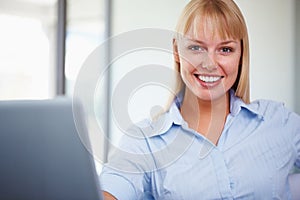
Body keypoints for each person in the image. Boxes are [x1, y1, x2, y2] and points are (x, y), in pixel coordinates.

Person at [100, 0, 300, 199]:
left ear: (241, 54)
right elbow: (112, 188)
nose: (209, 64)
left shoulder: (278, 121)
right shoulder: (144, 142)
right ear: (177, 50)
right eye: (196, 48)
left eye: (225, 49)